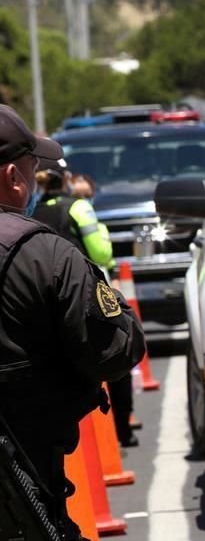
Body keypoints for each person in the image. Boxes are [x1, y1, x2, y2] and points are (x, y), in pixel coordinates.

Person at [0, 105, 144, 541]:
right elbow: (114, 351)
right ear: (13, 179)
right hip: (20, 493)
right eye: (31, 170)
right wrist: (119, 309)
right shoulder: (44, 256)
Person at [32, 155, 139, 447]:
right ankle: (123, 430)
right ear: (66, 179)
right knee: (114, 352)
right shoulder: (79, 208)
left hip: (47, 299)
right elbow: (102, 254)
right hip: (87, 294)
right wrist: (102, 232)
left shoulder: (33, 212)